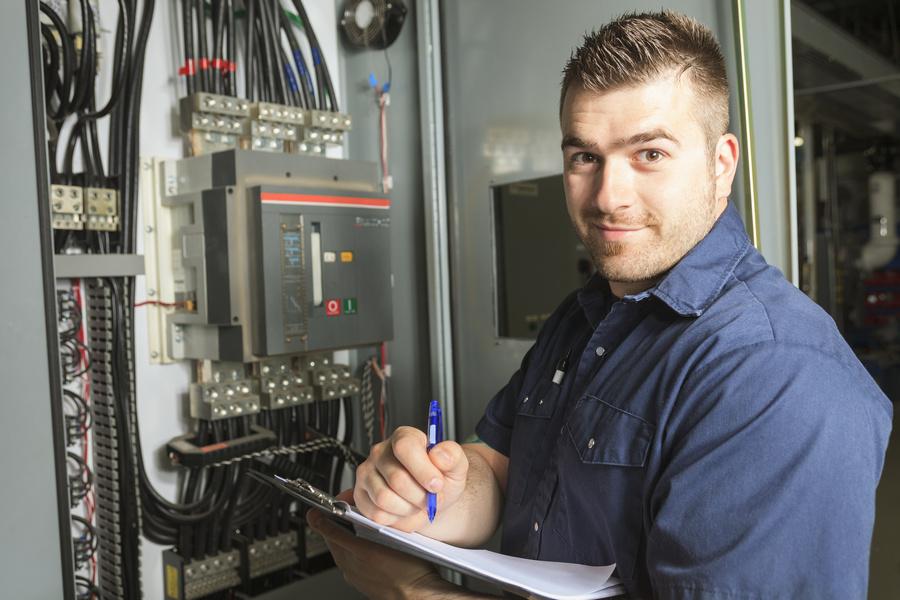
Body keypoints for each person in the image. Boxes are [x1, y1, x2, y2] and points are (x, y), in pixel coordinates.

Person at [308, 10, 894, 599]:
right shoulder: (585, 315)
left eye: (650, 154)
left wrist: (415, 592)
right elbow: (513, 472)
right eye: (585, 157)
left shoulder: (774, 372)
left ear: (722, 165)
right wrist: (437, 491)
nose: (609, 197)